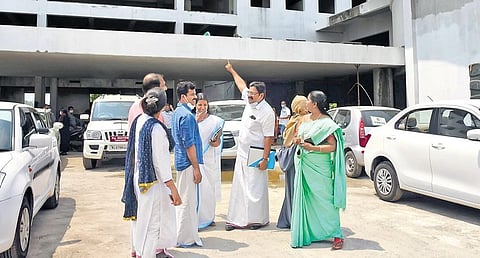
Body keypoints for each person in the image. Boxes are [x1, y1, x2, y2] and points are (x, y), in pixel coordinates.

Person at [122, 87, 182, 258]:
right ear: (163, 107)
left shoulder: (139, 120)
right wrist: (173, 190)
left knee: (142, 221)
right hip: (152, 184)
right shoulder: (156, 129)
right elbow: (161, 165)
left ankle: (139, 251)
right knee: (152, 225)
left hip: (137, 178)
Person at [290, 91, 346, 250]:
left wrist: (313, 147)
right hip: (303, 163)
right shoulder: (303, 119)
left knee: (326, 200)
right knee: (305, 200)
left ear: (315, 104)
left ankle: (336, 234)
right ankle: (309, 233)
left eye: (308, 100)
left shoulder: (327, 123)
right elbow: (296, 137)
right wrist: (297, 140)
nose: (305, 103)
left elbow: (333, 147)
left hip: (320, 166)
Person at [224, 61, 275, 231]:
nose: (249, 95)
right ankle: (236, 219)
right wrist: (232, 70)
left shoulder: (267, 112)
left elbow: (268, 137)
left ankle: (256, 220)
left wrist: (265, 159)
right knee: (240, 186)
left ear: (261, 95)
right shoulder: (248, 100)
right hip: (243, 151)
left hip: (257, 153)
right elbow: (241, 85)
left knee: (255, 188)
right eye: (249, 93)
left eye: (252, 94)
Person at [126, 73, 169, 257]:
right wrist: (171, 186)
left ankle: (141, 249)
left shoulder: (140, 111)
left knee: (142, 216)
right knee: (150, 220)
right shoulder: (148, 118)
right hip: (148, 174)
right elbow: (157, 156)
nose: (166, 86)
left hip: (140, 171)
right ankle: (146, 251)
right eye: (163, 84)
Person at [172, 81, 203, 247]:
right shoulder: (187, 116)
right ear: (184, 96)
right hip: (187, 163)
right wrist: (196, 168)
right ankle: (184, 238)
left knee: (186, 200)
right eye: (192, 95)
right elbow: (188, 144)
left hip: (182, 161)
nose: (195, 97)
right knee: (186, 201)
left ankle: (186, 235)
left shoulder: (177, 112)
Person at [276, 95, 308, 229]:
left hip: (289, 159)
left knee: (290, 190)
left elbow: (286, 140)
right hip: (297, 159)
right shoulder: (302, 120)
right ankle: (297, 219)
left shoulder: (292, 120)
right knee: (298, 190)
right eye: (305, 104)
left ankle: (289, 218)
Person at [195, 93, 224, 229]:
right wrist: (196, 120)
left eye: (205, 105)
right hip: (195, 160)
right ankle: (196, 218)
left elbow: (218, 142)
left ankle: (209, 217)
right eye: (200, 105)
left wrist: (215, 142)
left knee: (209, 190)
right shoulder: (190, 120)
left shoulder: (215, 121)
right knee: (196, 190)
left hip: (209, 160)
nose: (202, 107)